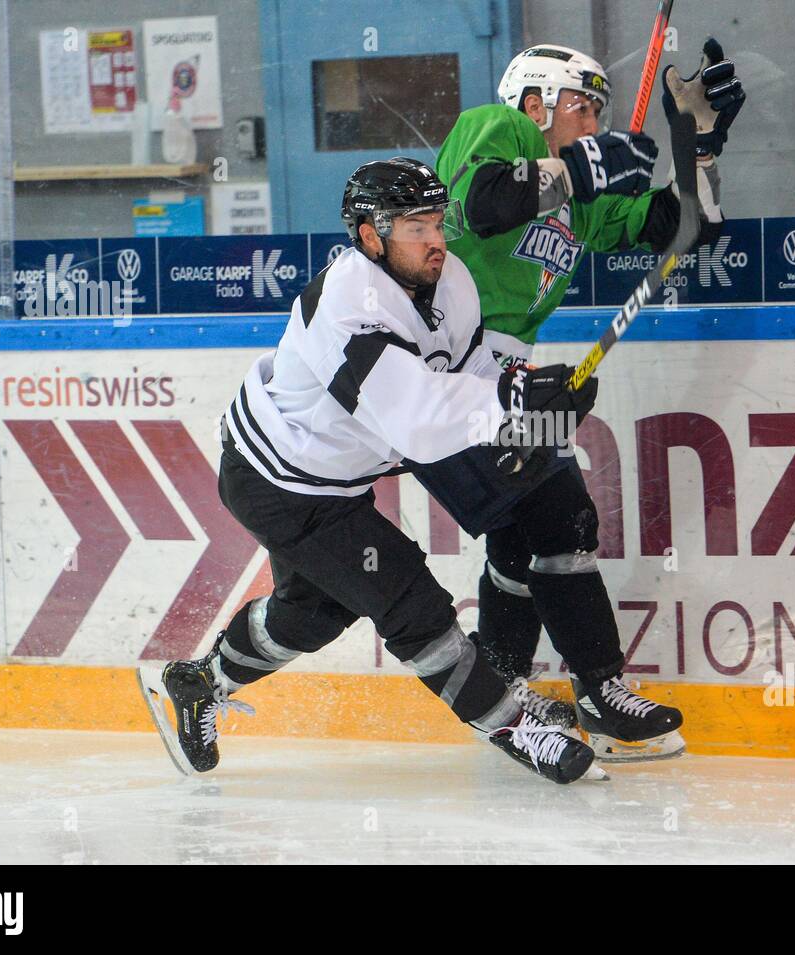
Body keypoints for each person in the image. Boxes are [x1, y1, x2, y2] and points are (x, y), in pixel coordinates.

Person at [137, 157, 605, 785]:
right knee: (409, 599)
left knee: (315, 611)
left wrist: (533, 402)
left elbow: (469, 380)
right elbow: (413, 420)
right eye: (416, 227)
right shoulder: (350, 300)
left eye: (437, 222)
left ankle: (199, 682)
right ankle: (513, 727)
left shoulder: (453, 280)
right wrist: (511, 403)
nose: (436, 239)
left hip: (335, 481)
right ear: (369, 235)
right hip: (279, 482)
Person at [409, 41, 745, 761]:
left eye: (597, 110)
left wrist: (701, 147)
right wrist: (586, 165)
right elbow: (483, 203)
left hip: (504, 382)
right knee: (564, 515)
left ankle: (500, 694)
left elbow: (684, 227)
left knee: (525, 531)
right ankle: (600, 693)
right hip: (445, 374)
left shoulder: (576, 200)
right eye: (581, 107)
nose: (592, 122)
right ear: (534, 104)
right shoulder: (498, 130)